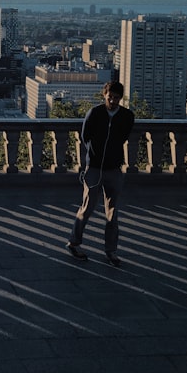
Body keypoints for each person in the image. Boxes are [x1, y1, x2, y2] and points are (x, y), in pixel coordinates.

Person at [66, 80, 135, 267]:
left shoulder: (127, 116)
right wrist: (93, 154)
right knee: (87, 207)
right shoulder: (95, 113)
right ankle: (74, 242)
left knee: (113, 212)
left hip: (113, 169)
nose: (112, 101)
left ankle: (111, 250)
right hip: (95, 167)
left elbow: (123, 137)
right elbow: (85, 135)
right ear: (104, 95)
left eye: (116, 98)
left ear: (121, 98)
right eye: (110, 97)